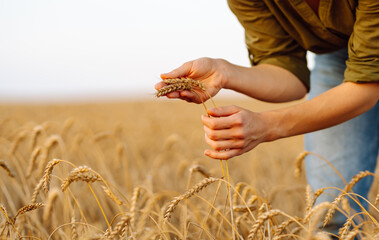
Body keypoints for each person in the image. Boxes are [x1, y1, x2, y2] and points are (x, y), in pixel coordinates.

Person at [155, 0, 379, 236]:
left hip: (361, 57)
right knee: (332, 215)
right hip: (339, 55)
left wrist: (267, 126)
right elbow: (289, 74)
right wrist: (224, 72)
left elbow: (366, 87)